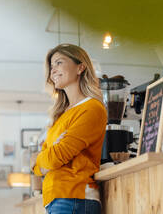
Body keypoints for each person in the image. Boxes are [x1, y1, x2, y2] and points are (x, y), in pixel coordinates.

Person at [30, 43, 107, 214]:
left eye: (59, 62)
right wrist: (43, 159)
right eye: (51, 67)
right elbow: (39, 165)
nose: (53, 71)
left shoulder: (92, 108)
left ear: (80, 67)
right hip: (58, 199)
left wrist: (40, 158)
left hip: (74, 197)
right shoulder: (61, 115)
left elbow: (55, 157)